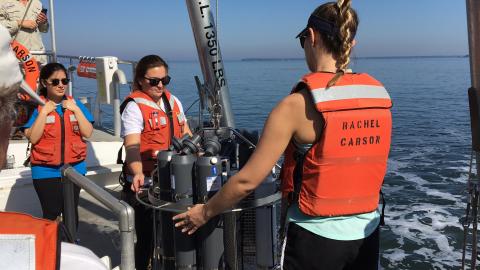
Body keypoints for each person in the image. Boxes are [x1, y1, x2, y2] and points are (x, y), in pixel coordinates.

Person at [173, 1, 392, 270]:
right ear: (351, 43)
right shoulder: (378, 96)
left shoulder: (295, 106)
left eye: (303, 41)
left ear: (311, 37)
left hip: (315, 240)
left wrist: (204, 212)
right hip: (366, 237)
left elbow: (247, 182)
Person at [121, 54, 192, 270]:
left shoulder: (174, 101)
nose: (160, 85)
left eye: (164, 80)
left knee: (173, 237)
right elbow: (132, 147)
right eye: (154, 81)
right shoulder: (134, 107)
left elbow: (186, 133)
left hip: (175, 180)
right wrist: (138, 173)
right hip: (147, 182)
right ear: (141, 80)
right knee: (146, 240)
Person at [22, 62, 94, 226]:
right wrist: (45, 111)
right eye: (55, 82)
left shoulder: (75, 104)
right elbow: (33, 137)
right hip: (45, 169)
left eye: (64, 81)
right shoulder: (35, 106)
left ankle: (71, 244)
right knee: (51, 212)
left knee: (71, 211)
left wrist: (75, 110)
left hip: (74, 168)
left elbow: (87, 132)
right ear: (44, 83)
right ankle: (51, 247)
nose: (61, 85)